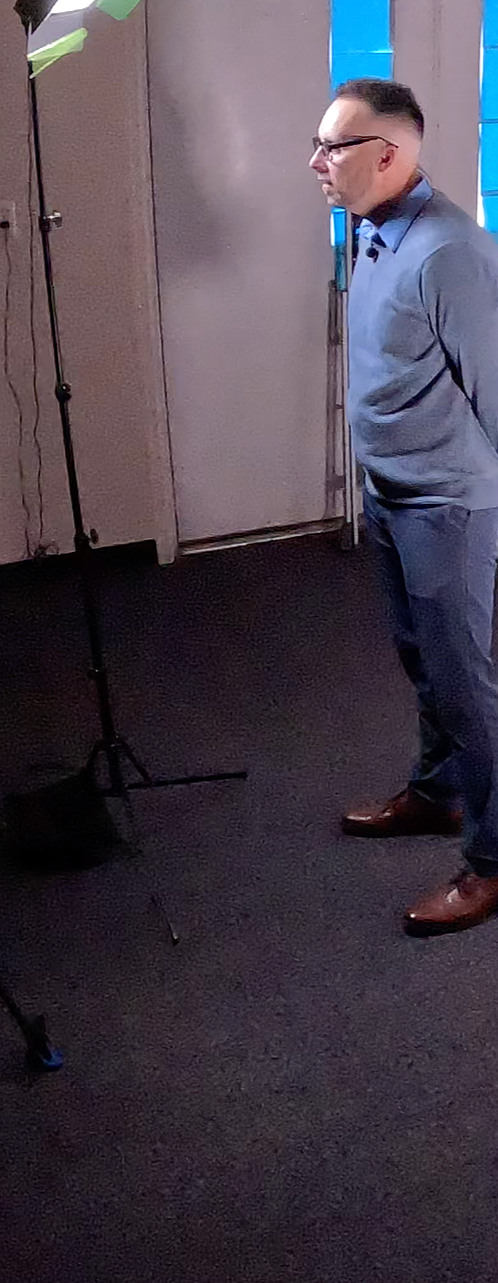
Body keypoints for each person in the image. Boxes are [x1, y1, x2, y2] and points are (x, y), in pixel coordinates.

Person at [310, 79, 498, 935]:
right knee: (420, 664)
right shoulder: (373, 231)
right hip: (391, 494)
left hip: (446, 507)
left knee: (467, 688)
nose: (316, 162)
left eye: (333, 147)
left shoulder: (446, 250)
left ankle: (492, 860)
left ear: (389, 155)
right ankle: (438, 796)